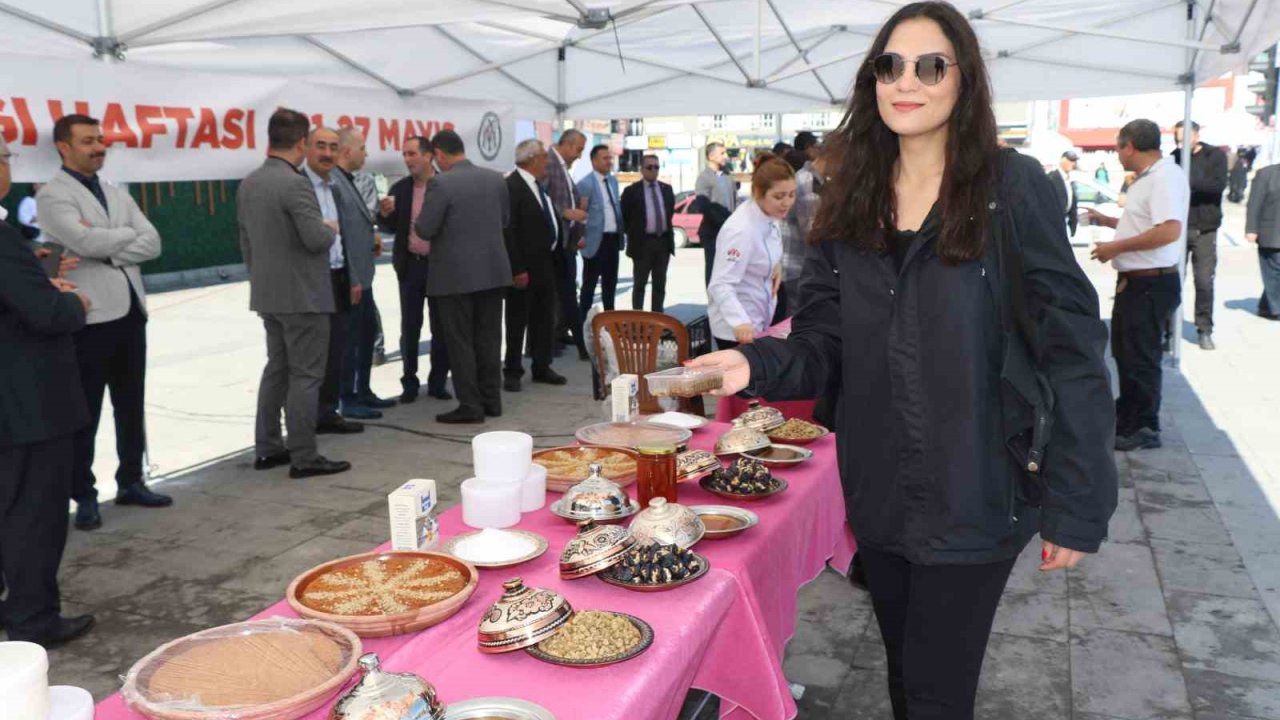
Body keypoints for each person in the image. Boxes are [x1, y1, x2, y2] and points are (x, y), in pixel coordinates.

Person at [689, 4, 1117, 717]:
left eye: (931, 65)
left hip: (978, 492)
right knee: (905, 676)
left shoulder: (1011, 189)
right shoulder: (848, 201)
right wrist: (750, 365)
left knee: (933, 693)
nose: (906, 81)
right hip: (880, 491)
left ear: (964, 81)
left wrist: (1079, 501)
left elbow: (1073, 347)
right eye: (891, 65)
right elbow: (825, 343)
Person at [38, 113, 172, 532]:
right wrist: (118, 239)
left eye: (100, 139)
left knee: (131, 405)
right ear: (64, 146)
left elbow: (154, 241)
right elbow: (82, 243)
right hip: (90, 318)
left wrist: (107, 244)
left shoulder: (114, 191)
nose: (99, 147)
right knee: (86, 412)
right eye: (88, 141)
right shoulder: (52, 195)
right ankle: (84, 494)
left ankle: (132, 480)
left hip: (131, 313)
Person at [0, 136, 96, 647]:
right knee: (33, 518)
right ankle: (33, 621)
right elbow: (45, 314)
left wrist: (35, 280)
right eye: (6, 158)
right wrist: (73, 301)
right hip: (27, 404)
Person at [237, 108, 351, 479]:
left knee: (277, 371)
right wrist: (329, 227)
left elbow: (246, 243)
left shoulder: (249, 182)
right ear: (302, 142)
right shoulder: (294, 183)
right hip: (303, 295)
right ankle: (304, 455)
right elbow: (314, 238)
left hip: (268, 293)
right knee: (306, 376)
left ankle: (268, 446)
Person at [1088, 119, 1189, 452]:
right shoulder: (1149, 179)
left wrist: (1114, 248)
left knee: (1141, 357)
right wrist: (1109, 222)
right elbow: (1145, 223)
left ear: (1129, 146)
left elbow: (1168, 231)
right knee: (1126, 353)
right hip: (1136, 283)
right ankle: (1129, 416)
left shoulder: (1164, 178)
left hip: (1151, 284)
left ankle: (1144, 426)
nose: (1117, 155)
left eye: (1118, 147)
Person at [413, 129, 512, 424]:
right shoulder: (496, 179)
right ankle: (491, 401)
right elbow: (505, 221)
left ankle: (470, 405)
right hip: (493, 273)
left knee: (461, 343)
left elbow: (425, 229)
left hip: (455, 277)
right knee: (490, 340)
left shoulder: (440, 183)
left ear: (439, 155)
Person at [377, 136, 452, 403]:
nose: (407, 160)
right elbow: (387, 227)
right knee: (410, 327)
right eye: (404, 155)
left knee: (441, 327)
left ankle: (438, 382)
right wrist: (385, 212)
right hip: (411, 266)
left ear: (429, 155)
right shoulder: (401, 189)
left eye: (412, 154)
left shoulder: (445, 186)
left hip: (440, 267)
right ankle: (409, 382)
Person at [302, 128, 366, 435]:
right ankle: (309, 418)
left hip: (339, 276)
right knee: (314, 354)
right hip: (314, 280)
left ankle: (328, 412)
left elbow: (345, 238)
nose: (327, 153)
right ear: (306, 148)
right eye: (320, 146)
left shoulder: (334, 187)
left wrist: (352, 277)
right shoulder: (299, 186)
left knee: (336, 349)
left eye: (332, 147)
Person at [706, 153, 794, 350]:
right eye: (779, 196)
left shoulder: (770, 216)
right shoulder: (741, 230)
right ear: (758, 193)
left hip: (759, 319)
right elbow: (720, 284)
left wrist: (776, 265)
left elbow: (768, 249)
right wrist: (740, 322)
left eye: (791, 194)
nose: (787, 203)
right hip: (736, 329)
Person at [331, 127, 390, 419]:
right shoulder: (335, 184)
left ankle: (363, 391)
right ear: (347, 151)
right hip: (352, 279)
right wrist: (353, 277)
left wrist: (371, 238)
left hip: (364, 276)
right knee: (350, 341)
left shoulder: (351, 181)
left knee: (366, 336)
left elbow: (359, 226)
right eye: (363, 147)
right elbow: (341, 236)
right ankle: (348, 397)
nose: (366, 153)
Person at [502, 140, 567, 392]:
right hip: (524, 268)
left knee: (543, 318)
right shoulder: (512, 186)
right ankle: (513, 370)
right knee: (517, 320)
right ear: (531, 159)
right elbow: (509, 230)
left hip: (545, 264)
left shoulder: (540, 187)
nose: (547, 162)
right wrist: (517, 268)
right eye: (543, 157)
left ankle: (542, 365)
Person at [1172, 120, 1228, 350]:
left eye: (1183, 138)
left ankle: (1204, 329)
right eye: (1176, 138)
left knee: (1204, 281)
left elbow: (1216, 186)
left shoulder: (1214, 156)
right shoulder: (1174, 157)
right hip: (1179, 228)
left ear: (1195, 135)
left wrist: (1186, 182)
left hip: (1205, 228)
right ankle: (1169, 330)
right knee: (1173, 280)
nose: (1179, 143)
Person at [545, 130, 590, 361]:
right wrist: (564, 212)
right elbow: (541, 198)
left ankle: (562, 334)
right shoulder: (549, 163)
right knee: (559, 296)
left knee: (568, 294)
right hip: (554, 244)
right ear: (568, 144)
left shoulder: (562, 167)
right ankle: (551, 340)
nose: (580, 155)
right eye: (579, 149)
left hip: (568, 242)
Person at [620, 153, 675, 312]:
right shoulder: (632, 191)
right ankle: (638, 320)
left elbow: (669, 213)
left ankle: (658, 319)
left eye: (656, 167)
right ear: (642, 170)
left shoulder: (666, 189)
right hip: (642, 244)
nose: (653, 170)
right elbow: (625, 217)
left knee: (659, 285)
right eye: (649, 167)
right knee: (640, 285)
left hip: (663, 243)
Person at [576, 145, 624, 320]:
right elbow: (581, 214)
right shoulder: (585, 184)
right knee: (589, 286)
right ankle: (583, 324)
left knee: (610, 284)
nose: (609, 162)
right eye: (605, 158)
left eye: (610, 158)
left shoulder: (612, 181)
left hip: (612, 239)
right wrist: (580, 237)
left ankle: (610, 321)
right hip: (595, 241)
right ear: (594, 161)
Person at [695, 142, 739, 286]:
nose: (726, 156)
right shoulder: (704, 177)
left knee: (730, 272)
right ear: (711, 156)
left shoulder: (727, 176)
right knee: (713, 272)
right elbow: (703, 205)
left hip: (731, 234)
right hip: (713, 233)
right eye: (722, 153)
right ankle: (713, 306)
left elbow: (735, 201)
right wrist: (723, 223)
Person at [1245, 162, 1280, 319]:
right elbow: (1254, 203)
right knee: (1274, 271)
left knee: (1273, 273)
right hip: (1271, 232)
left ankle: (1266, 305)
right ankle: (1276, 308)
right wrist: (1251, 229)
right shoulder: (1266, 174)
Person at [1047, 150, 1079, 238]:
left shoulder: (1068, 179)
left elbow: (1071, 203)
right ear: (1062, 160)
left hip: (1065, 223)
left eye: (1074, 161)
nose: (1073, 164)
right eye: (1071, 160)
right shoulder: (1052, 178)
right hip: (1055, 225)